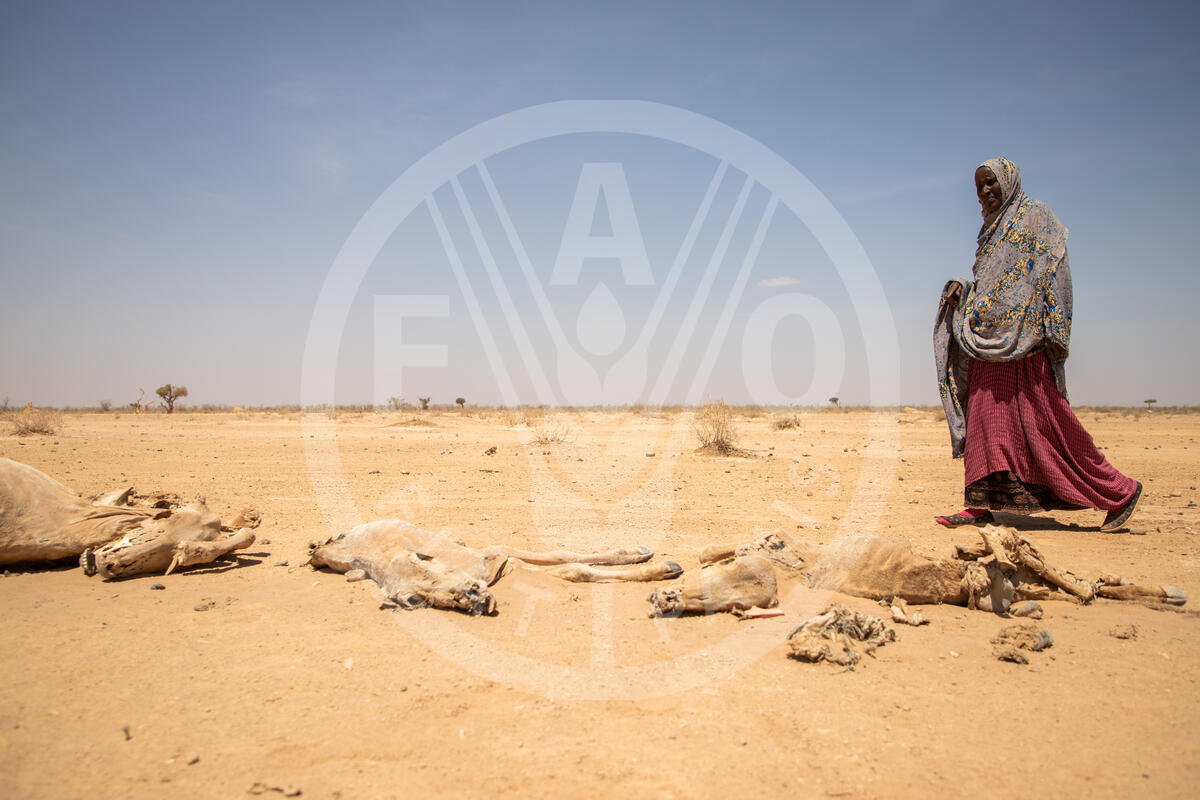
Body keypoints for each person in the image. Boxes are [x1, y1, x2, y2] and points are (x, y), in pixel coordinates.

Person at [932, 157, 1141, 531]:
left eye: (990, 184)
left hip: (1027, 347)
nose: (984, 193)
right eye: (978, 187)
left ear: (1009, 182)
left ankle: (1121, 492)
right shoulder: (990, 232)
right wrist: (962, 291)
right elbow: (990, 286)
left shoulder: (1036, 218)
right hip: (987, 346)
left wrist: (1052, 334)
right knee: (983, 422)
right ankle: (979, 505)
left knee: (1051, 426)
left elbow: (1057, 277)